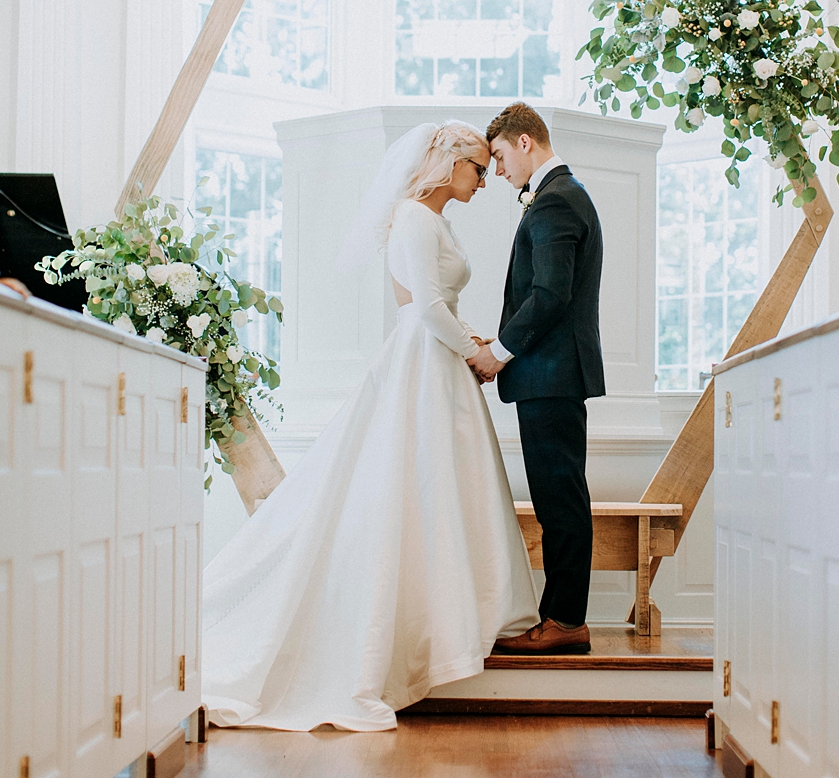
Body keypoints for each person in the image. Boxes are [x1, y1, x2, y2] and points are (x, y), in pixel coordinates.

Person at [201, 122, 537, 732]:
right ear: (451, 162)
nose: (485, 181)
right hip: (425, 357)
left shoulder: (436, 221)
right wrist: (471, 348)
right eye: (478, 170)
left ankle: (455, 620)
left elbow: (442, 305)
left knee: (444, 489)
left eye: (490, 172)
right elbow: (429, 306)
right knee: (411, 487)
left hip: (440, 359)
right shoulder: (412, 217)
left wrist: (470, 344)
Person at [470, 103, 604, 657]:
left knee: (560, 501)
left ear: (525, 143)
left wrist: (498, 352)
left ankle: (567, 621)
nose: (498, 171)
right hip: (549, 375)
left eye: (500, 157)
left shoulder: (555, 201)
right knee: (557, 498)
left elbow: (549, 295)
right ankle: (560, 615)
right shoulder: (560, 196)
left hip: (550, 376)